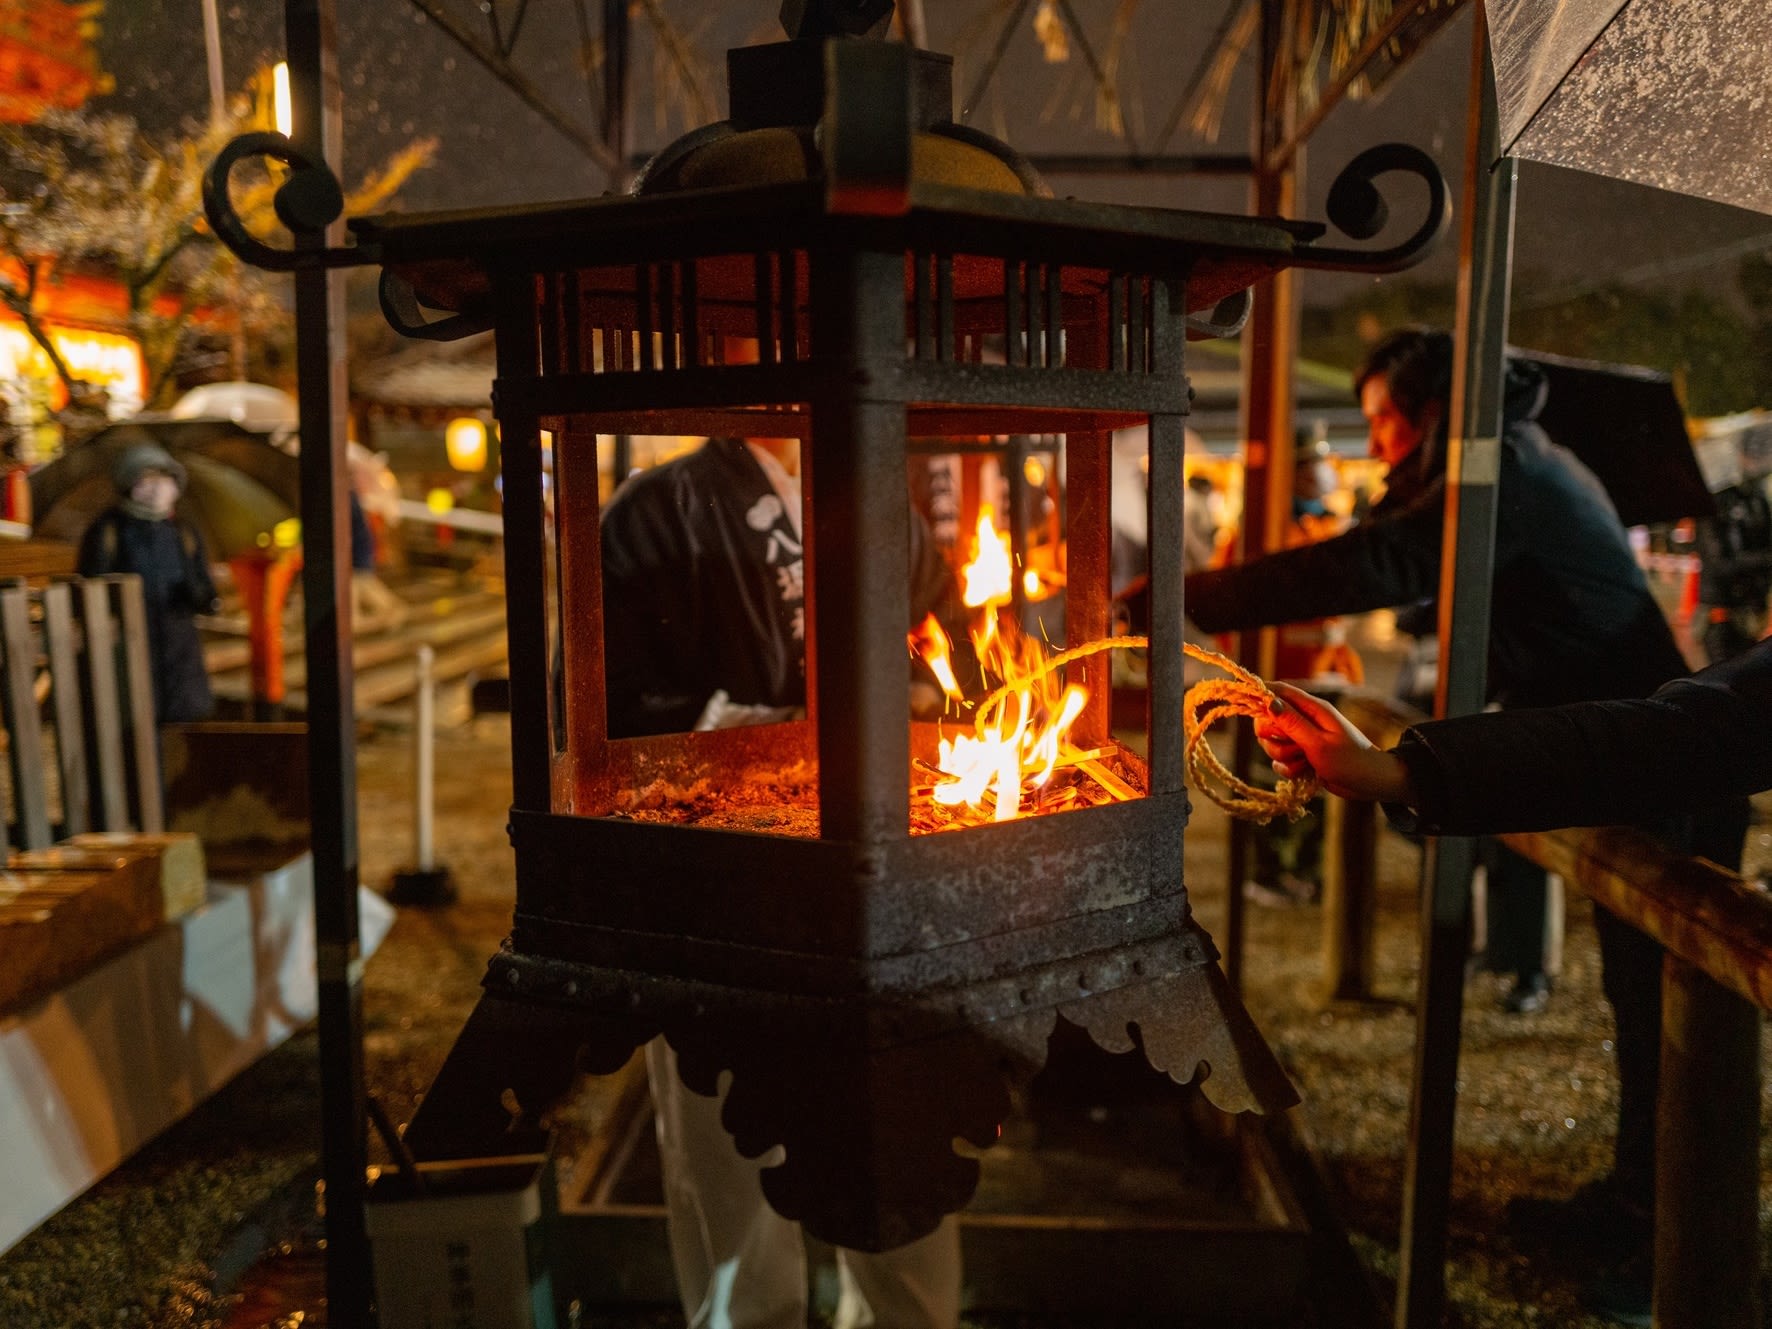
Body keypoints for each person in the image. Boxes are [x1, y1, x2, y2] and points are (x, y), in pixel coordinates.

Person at [1182, 328, 1745, 1322]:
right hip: (1599, 748)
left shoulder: (1505, 468)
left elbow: (1380, 563)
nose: (1381, 441)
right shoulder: (1496, 457)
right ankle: (1630, 1207)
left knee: (1675, 1007)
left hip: (1650, 756)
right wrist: (1404, 767)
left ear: (1438, 407)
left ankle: (1675, 1249)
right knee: (1633, 1000)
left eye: (1387, 420)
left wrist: (1180, 601)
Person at [601, 433, 962, 1329]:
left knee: (901, 1161)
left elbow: (946, 647)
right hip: (722, 898)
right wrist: (758, 737)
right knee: (732, 1168)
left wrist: (925, 703)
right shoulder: (652, 515)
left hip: (886, 893)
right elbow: (607, 716)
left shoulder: (888, 510)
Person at [78, 439, 218, 724]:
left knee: (184, 730)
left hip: (180, 653)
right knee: (137, 726)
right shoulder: (108, 529)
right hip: (130, 648)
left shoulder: (183, 531)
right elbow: (90, 584)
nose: (157, 488)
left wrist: (200, 596)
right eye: (147, 479)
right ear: (129, 485)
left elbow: (203, 583)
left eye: (164, 479)